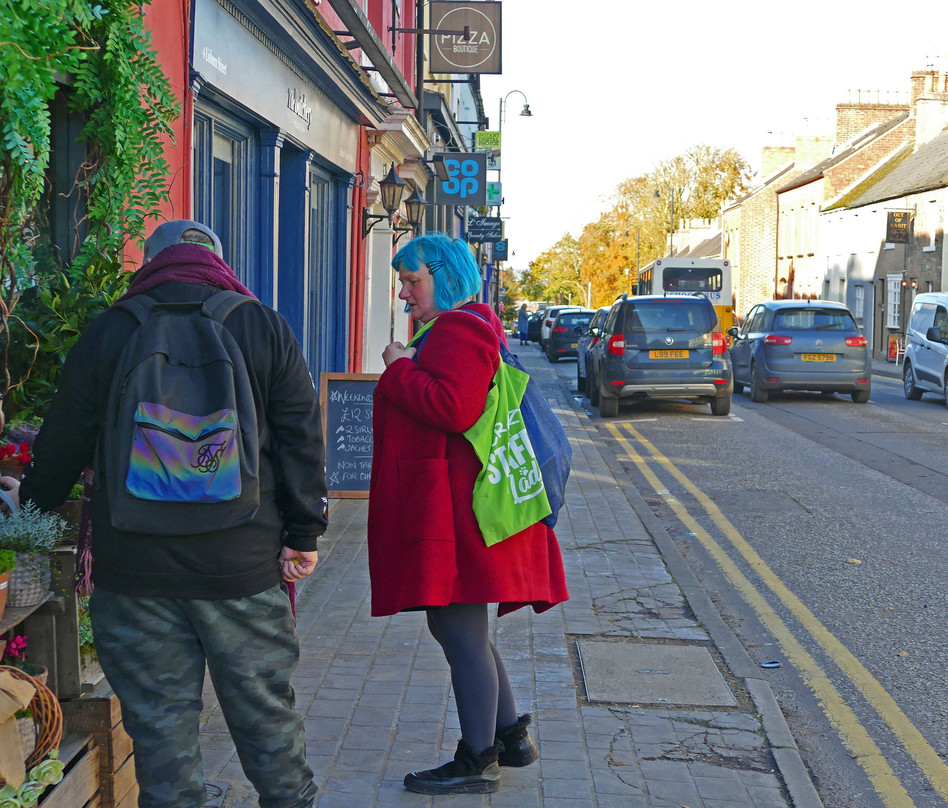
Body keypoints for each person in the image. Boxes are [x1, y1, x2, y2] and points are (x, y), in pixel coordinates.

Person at [6, 220, 327, 808]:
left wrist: (31, 506)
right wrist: (303, 533)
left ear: (148, 264)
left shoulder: (111, 330)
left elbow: (61, 444)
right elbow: (302, 437)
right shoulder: (261, 326)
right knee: (266, 718)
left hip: (134, 573)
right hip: (242, 567)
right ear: (220, 262)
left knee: (160, 734)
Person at [370, 233, 569, 795]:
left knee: (458, 630)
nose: (405, 293)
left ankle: (477, 757)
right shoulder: (463, 327)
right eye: (404, 282)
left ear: (445, 277)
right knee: (462, 630)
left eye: (414, 281)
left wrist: (398, 369)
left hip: (462, 518)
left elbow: (453, 409)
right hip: (462, 511)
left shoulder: (458, 330)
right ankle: (510, 735)